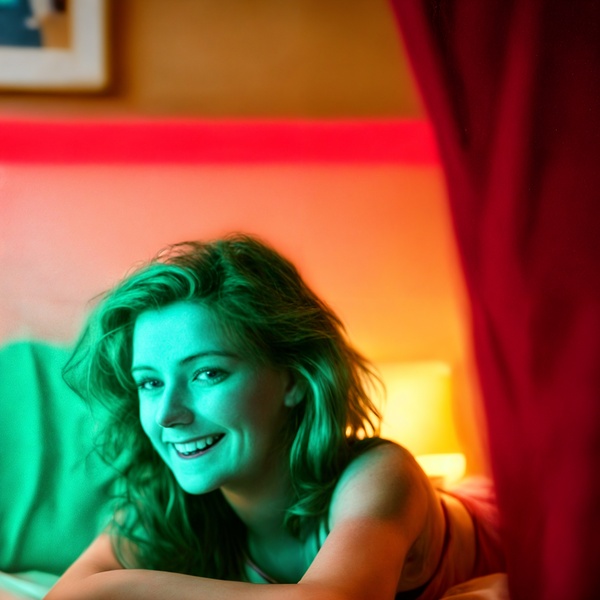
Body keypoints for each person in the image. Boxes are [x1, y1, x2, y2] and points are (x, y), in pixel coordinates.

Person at [45, 233, 505, 600]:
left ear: (294, 379)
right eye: (149, 382)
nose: (167, 415)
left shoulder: (379, 476)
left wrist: (121, 587)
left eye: (207, 373)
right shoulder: (167, 506)